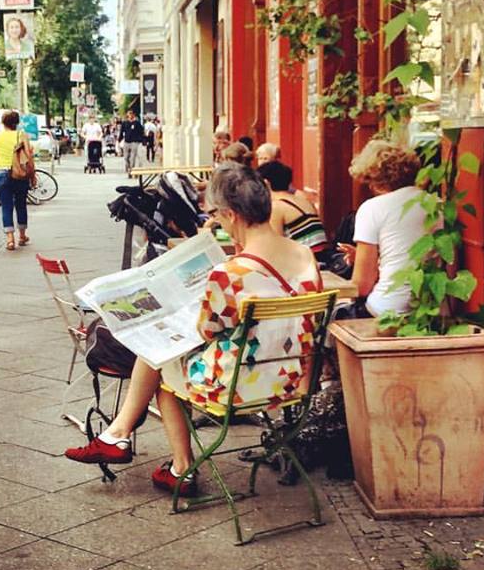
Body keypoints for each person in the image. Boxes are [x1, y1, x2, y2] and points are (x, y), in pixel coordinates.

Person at [65, 163, 322, 495]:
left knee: (160, 360)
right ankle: (121, 437)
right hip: (289, 379)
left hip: (238, 385)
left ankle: (174, 464)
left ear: (232, 215)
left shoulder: (231, 273)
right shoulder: (304, 255)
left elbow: (206, 331)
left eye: (216, 215)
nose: (216, 222)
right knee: (161, 354)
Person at [339, 140, 429, 317]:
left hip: (386, 310)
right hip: (428, 311)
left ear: (375, 180)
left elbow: (362, 286)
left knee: (330, 318)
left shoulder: (372, 208)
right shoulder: (435, 205)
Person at [257, 160, 330, 258]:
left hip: (306, 262)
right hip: (322, 257)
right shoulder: (303, 200)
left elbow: (275, 247)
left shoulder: (277, 207)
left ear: (266, 184)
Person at [0, 110, 33, 251]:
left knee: (6, 206)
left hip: (2, 172)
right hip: (19, 173)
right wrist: (32, 173)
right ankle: (22, 236)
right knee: (21, 204)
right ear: (17, 123)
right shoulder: (21, 134)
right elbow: (28, 154)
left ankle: (10, 239)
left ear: (3, 123)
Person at [119, 109, 145, 176]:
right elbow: (121, 132)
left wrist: (141, 140)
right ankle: (128, 168)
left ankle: (131, 171)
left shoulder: (137, 123)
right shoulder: (125, 123)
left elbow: (141, 132)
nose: (130, 115)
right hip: (127, 142)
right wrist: (119, 140)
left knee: (132, 158)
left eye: (131, 114)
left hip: (134, 142)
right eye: (129, 114)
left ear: (133, 115)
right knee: (126, 157)